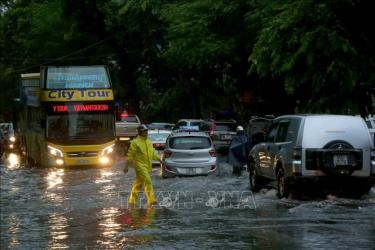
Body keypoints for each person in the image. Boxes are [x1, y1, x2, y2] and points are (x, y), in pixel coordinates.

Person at [124, 124, 161, 207]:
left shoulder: (149, 141)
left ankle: (132, 201)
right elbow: (130, 155)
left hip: (147, 166)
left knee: (138, 184)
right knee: (148, 180)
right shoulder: (135, 142)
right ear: (140, 132)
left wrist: (159, 159)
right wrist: (126, 166)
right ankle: (152, 201)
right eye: (145, 131)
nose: (146, 132)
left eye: (147, 131)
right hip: (139, 165)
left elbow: (152, 153)